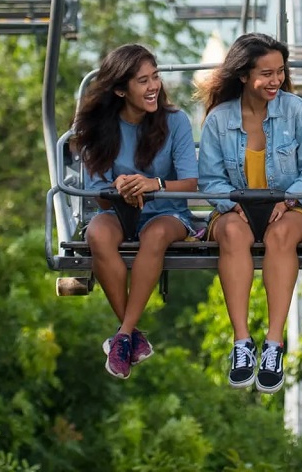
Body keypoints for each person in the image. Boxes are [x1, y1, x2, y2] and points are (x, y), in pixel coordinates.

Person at [197, 33, 302, 394]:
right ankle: (242, 342)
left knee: (280, 235)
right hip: (237, 208)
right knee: (232, 233)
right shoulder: (219, 120)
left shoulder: (295, 110)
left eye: (280, 72)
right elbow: (211, 180)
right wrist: (233, 203)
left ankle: (273, 343)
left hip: (293, 206)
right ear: (243, 75)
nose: (276, 81)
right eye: (266, 74)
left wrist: (287, 200)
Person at [73, 44, 198, 380]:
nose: (153, 86)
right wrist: (120, 188)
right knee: (97, 233)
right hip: (120, 212)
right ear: (120, 90)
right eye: (143, 81)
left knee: (154, 235)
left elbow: (190, 183)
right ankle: (131, 338)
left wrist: (153, 184)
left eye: (155, 77)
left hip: (167, 213)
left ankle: (125, 333)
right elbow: (99, 197)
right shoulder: (101, 128)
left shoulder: (175, 122)